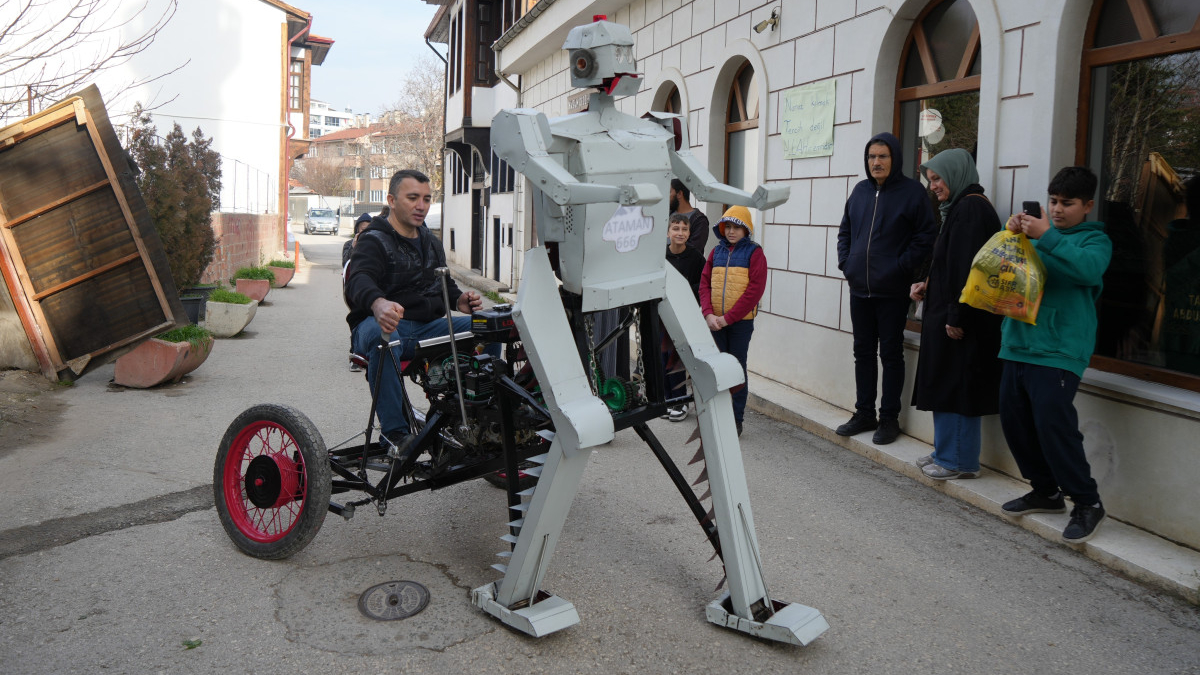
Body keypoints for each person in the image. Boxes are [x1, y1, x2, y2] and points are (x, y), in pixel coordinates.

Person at [998, 166, 1112, 544]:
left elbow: (1088, 269)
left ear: (1088, 206)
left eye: (1068, 203)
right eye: (1053, 202)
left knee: (1054, 427)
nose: (1058, 209)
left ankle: (1087, 501)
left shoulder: (1095, 242)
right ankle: (1045, 491)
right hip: (1018, 342)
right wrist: (1013, 233)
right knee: (1016, 423)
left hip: (1060, 350)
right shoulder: (1039, 235)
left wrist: (1046, 235)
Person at [345, 169, 485, 448]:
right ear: (392, 200)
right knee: (386, 339)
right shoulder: (373, 240)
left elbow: (443, 286)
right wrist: (378, 302)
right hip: (380, 326)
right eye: (412, 198)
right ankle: (395, 435)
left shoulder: (431, 243)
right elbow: (358, 280)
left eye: (426, 198)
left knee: (489, 327)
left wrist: (460, 301)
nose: (421, 205)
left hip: (427, 328)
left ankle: (478, 414)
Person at [836, 131, 937, 445]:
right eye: (871, 157)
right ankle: (864, 412)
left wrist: (901, 268)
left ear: (894, 159)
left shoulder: (912, 193)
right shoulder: (860, 191)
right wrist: (847, 263)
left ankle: (889, 419)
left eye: (882, 156)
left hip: (892, 290)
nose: (876, 162)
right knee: (862, 353)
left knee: (891, 354)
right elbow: (845, 232)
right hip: (859, 289)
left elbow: (925, 236)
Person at [908, 149, 1003, 480]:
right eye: (931, 180)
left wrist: (956, 315)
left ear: (956, 173)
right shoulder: (960, 208)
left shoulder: (970, 210)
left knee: (957, 386)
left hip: (961, 321)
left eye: (938, 178)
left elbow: (968, 269)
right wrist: (927, 284)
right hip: (950, 314)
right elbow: (950, 264)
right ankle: (945, 450)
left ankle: (958, 460)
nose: (933, 186)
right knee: (946, 383)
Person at [699, 206, 766, 437]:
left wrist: (728, 319)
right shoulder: (715, 253)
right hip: (714, 322)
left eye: (737, 227)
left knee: (736, 370)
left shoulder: (754, 253)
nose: (731, 231)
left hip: (739, 324)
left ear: (746, 229)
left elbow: (754, 291)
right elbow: (704, 284)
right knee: (716, 371)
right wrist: (708, 313)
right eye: (728, 226)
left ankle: (736, 420)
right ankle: (717, 417)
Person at [662, 212, 706, 422]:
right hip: (662, 312)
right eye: (676, 228)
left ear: (689, 233)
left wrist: (685, 289)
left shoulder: (696, 257)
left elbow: (703, 285)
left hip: (683, 314)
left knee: (676, 357)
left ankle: (680, 401)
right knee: (661, 357)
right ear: (668, 231)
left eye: (684, 229)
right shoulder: (661, 256)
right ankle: (666, 400)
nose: (680, 233)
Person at [670, 178, 710, 253]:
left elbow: (693, 251)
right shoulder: (667, 215)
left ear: (679, 194)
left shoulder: (699, 221)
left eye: (669, 192)